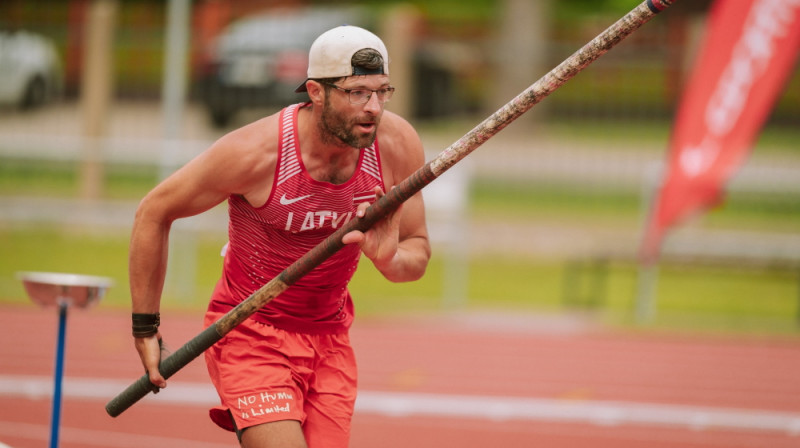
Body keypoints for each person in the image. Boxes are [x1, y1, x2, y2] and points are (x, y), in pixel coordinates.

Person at [128, 25, 431, 447]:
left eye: (383, 91)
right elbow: (153, 212)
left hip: (330, 338)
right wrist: (145, 327)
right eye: (358, 92)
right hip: (250, 330)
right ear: (316, 91)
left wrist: (386, 258)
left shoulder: (396, 146)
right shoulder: (257, 152)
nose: (374, 108)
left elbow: (415, 257)